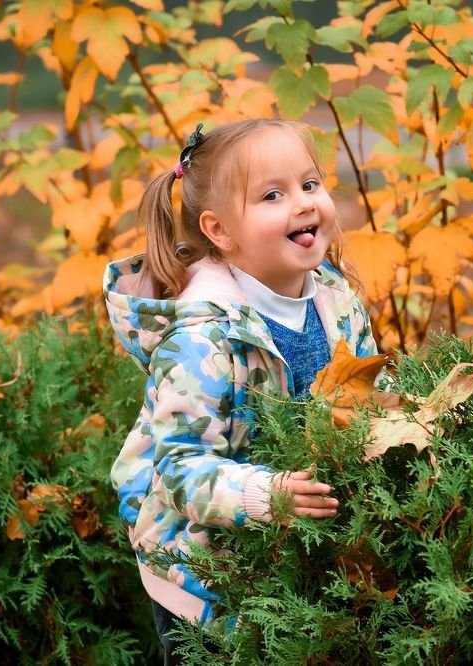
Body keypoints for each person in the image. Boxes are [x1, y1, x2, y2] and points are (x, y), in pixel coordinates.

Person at [102, 119, 378, 664]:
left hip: (290, 530)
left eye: (310, 183)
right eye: (272, 195)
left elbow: (368, 386)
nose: (302, 204)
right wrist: (267, 494)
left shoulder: (336, 298)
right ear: (220, 230)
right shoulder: (202, 340)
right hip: (201, 566)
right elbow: (179, 468)